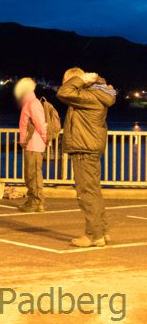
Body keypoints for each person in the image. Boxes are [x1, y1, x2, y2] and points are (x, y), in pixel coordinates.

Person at [57, 68, 116, 247]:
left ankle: (93, 235)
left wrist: (80, 79)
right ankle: (102, 232)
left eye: (69, 81)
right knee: (93, 192)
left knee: (86, 194)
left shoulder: (88, 98)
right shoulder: (97, 95)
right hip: (90, 148)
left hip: (84, 148)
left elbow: (63, 92)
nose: (66, 85)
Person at [14, 77, 47, 212]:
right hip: (31, 144)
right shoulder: (30, 102)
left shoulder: (33, 103)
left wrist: (44, 138)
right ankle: (34, 200)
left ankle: (36, 202)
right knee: (31, 173)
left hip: (34, 144)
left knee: (33, 173)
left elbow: (40, 123)